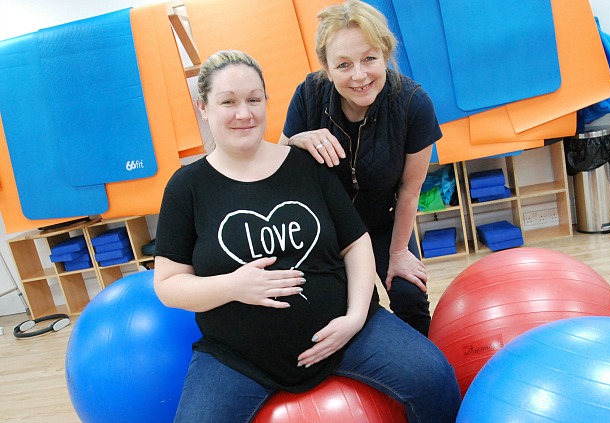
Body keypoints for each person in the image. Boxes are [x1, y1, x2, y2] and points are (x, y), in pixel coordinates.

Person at [153, 50, 461, 423]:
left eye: (253, 99)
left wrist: (355, 316)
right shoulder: (187, 186)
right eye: (228, 102)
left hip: (347, 334)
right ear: (204, 108)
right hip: (237, 356)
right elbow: (168, 284)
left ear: (267, 101)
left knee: (435, 377)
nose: (243, 113)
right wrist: (235, 286)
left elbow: (357, 242)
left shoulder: (305, 165)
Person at [280, 0, 440, 336]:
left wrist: (399, 253)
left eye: (369, 58)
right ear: (326, 67)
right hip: (325, 231)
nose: (359, 75)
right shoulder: (309, 95)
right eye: (343, 65)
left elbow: (410, 191)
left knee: (410, 293)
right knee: (343, 306)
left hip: (383, 224)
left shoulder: (414, 104)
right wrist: (298, 140)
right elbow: (277, 165)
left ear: (385, 53)